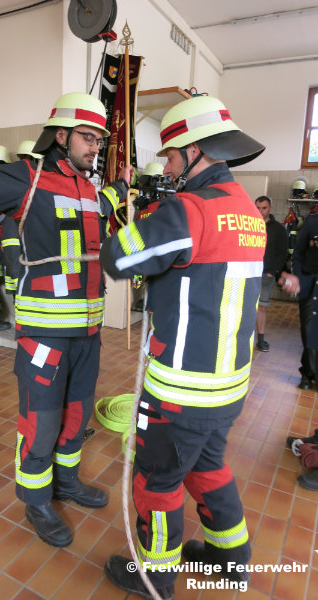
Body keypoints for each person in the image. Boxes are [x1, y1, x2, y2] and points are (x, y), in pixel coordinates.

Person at [0, 92, 132, 548]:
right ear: (61, 136)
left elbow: (105, 204)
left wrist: (123, 185)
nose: (95, 147)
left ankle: (66, 482)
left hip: (88, 335)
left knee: (76, 415)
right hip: (44, 336)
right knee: (42, 421)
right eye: (88, 138)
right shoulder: (25, 180)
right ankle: (36, 500)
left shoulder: (90, 189)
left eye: (99, 140)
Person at [100, 95, 267, 599]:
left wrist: (132, 209)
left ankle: (154, 577)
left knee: (156, 483)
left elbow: (117, 257)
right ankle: (230, 558)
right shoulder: (248, 211)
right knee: (209, 467)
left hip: (180, 393)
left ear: (195, 150)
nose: (168, 168)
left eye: (171, 157)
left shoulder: (189, 210)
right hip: (227, 389)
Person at [254, 195, 288, 352]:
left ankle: (261, 339)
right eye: (257, 208)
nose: (260, 211)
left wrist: (273, 271)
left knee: (262, 307)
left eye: (264, 208)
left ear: (270, 209)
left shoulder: (279, 229)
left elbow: (283, 253)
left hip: (266, 274)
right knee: (245, 305)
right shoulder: (250, 224)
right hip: (249, 272)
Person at [292, 212, 318, 390]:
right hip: (310, 286)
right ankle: (308, 373)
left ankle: (309, 372)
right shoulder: (312, 221)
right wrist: (300, 279)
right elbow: (298, 253)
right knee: (309, 331)